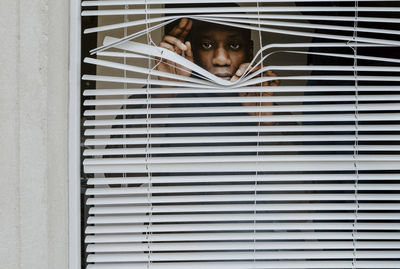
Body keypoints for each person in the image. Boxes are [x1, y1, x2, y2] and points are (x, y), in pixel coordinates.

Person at [154, 17, 279, 120]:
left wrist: (265, 123)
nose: (221, 60)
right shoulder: (152, 99)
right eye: (207, 45)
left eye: (234, 45)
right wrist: (166, 97)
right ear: (190, 49)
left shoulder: (267, 107)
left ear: (250, 51)